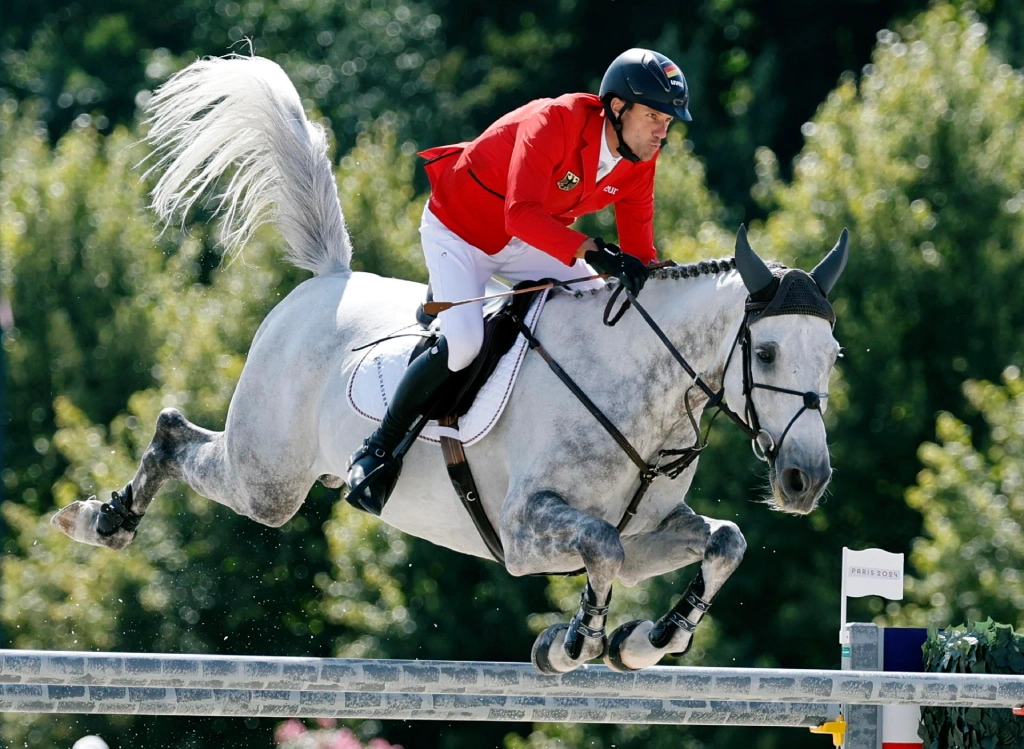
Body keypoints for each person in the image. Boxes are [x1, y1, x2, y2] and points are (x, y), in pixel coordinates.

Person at [346, 48, 692, 515]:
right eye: (653, 116)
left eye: (667, 121)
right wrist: (594, 249)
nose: (661, 132)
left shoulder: (639, 159)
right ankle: (378, 448)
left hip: (527, 242)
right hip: (460, 230)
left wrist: (656, 277)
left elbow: (639, 253)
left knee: (596, 307)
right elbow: (520, 213)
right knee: (465, 343)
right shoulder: (555, 122)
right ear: (616, 107)